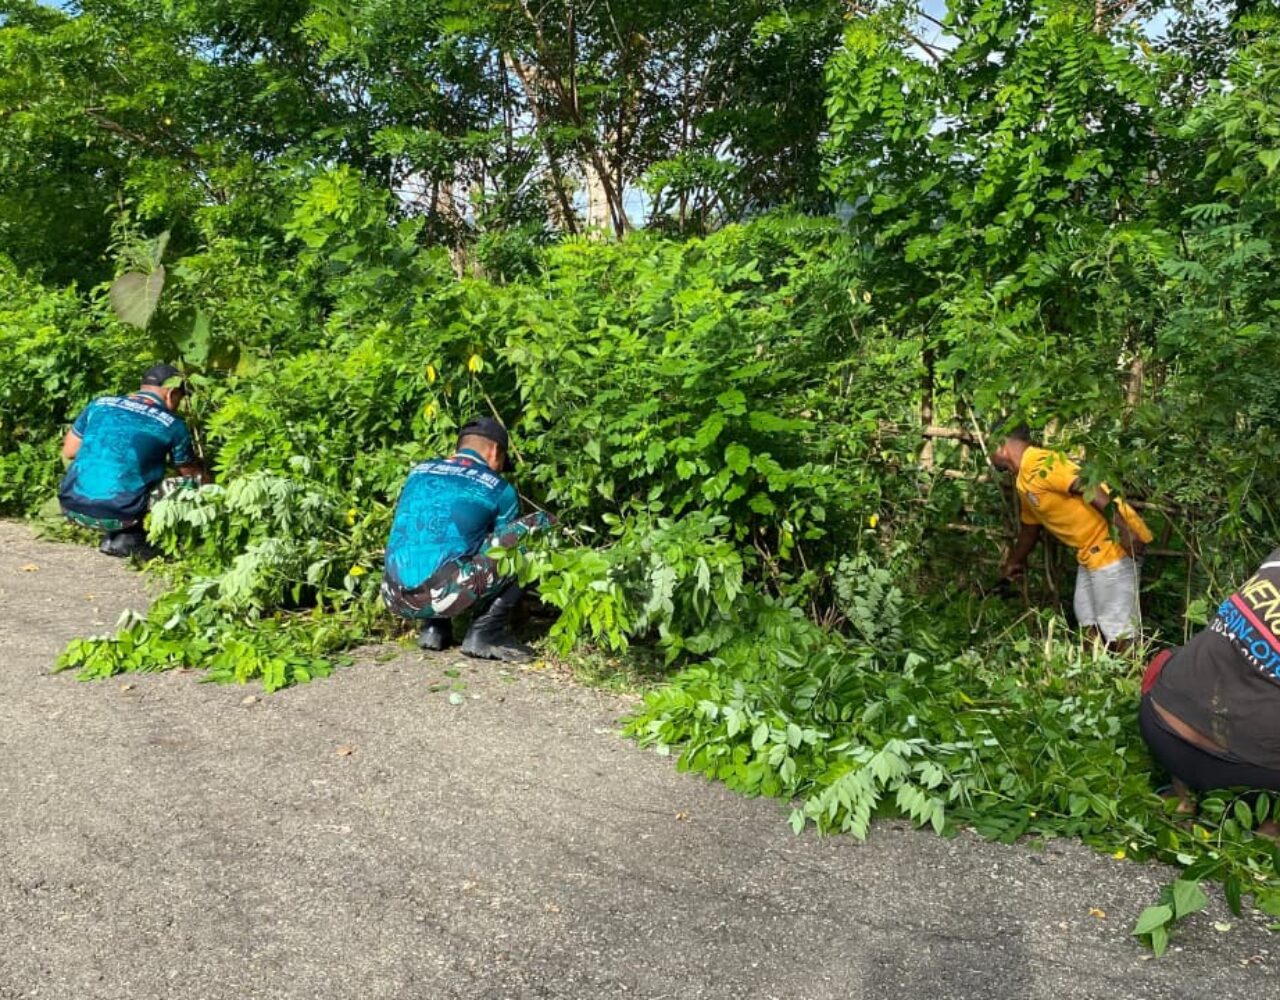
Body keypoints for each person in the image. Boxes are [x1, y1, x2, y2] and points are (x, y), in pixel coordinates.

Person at [380, 416, 553, 662]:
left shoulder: (417, 472)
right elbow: (503, 555)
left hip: (393, 595)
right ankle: (486, 632)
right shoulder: (499, 489)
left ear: (459, 447)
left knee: (434, 540)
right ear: (495, 451)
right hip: (442, 595)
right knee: (541, 527)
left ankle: (434, 628)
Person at [1139, 551, 1280, 836]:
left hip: (1160, 725)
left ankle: (1180, 796)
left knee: (1188, 659)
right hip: (1248, 775)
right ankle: (1270, 831)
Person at [991, 424, 1154, 650]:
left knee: (1118, 627)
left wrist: (1125, 531)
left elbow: (1087, 485)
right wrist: (1014, 561)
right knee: (1087, 619)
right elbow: (1030, 528)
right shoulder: (1024, 479)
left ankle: (1137, 680)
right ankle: (1098, 678)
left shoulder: (1039, 462)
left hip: (1112, 543)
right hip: (1089, 551)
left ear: (1001, 445)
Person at [59, 363, 206, 557]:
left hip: (71, 507)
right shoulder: (173, 424)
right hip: (123, 515)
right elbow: (192, 475)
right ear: (171, 393)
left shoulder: (99, 404)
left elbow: (69, 452)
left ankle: (113, 534)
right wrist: (213, 489)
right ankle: (134, 539)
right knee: (188, 485)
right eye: (180, 397)